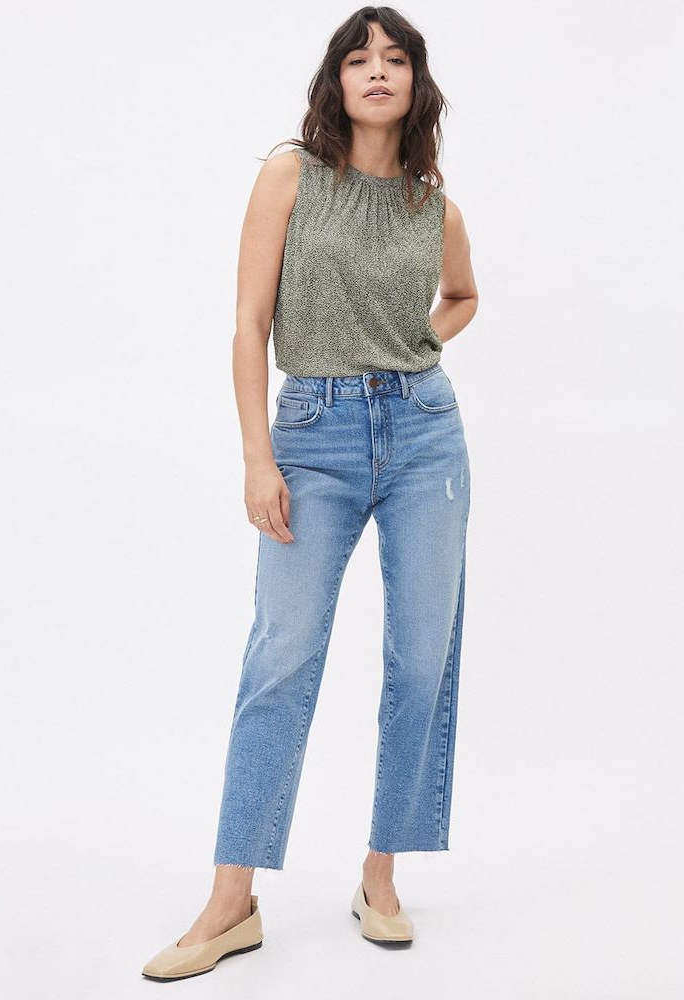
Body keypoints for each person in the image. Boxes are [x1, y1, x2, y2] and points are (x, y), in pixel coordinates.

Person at [142, 7, 478, 981]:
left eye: (395, 59)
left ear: (416, 84)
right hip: (313, 438)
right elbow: (249, 323)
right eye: (358, 58)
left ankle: (380, 875)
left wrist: (414, 348)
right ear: (335, 80)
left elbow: (461, 298)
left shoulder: (434, 207)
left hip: (425, 435)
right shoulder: (290, 175)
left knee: (421, 657)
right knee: (281, 658)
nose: (377, 71)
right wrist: (259, 458)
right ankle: (231, 902)